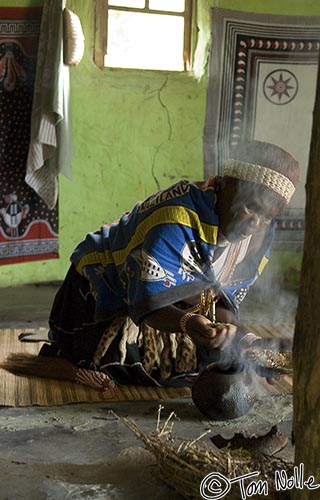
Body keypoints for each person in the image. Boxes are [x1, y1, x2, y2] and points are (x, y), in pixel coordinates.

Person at [4, 140, 299, 419]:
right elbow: (146, 300)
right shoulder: (176, 216)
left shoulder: (260, 233)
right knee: (127, 368)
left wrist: (241, 337)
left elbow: (218, 296)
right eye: (250, 207)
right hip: (101, 295)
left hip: (177, 301)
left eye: (267, 216)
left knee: (215, 357)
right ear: (224, 185)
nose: (255, 223)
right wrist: (186, 323)